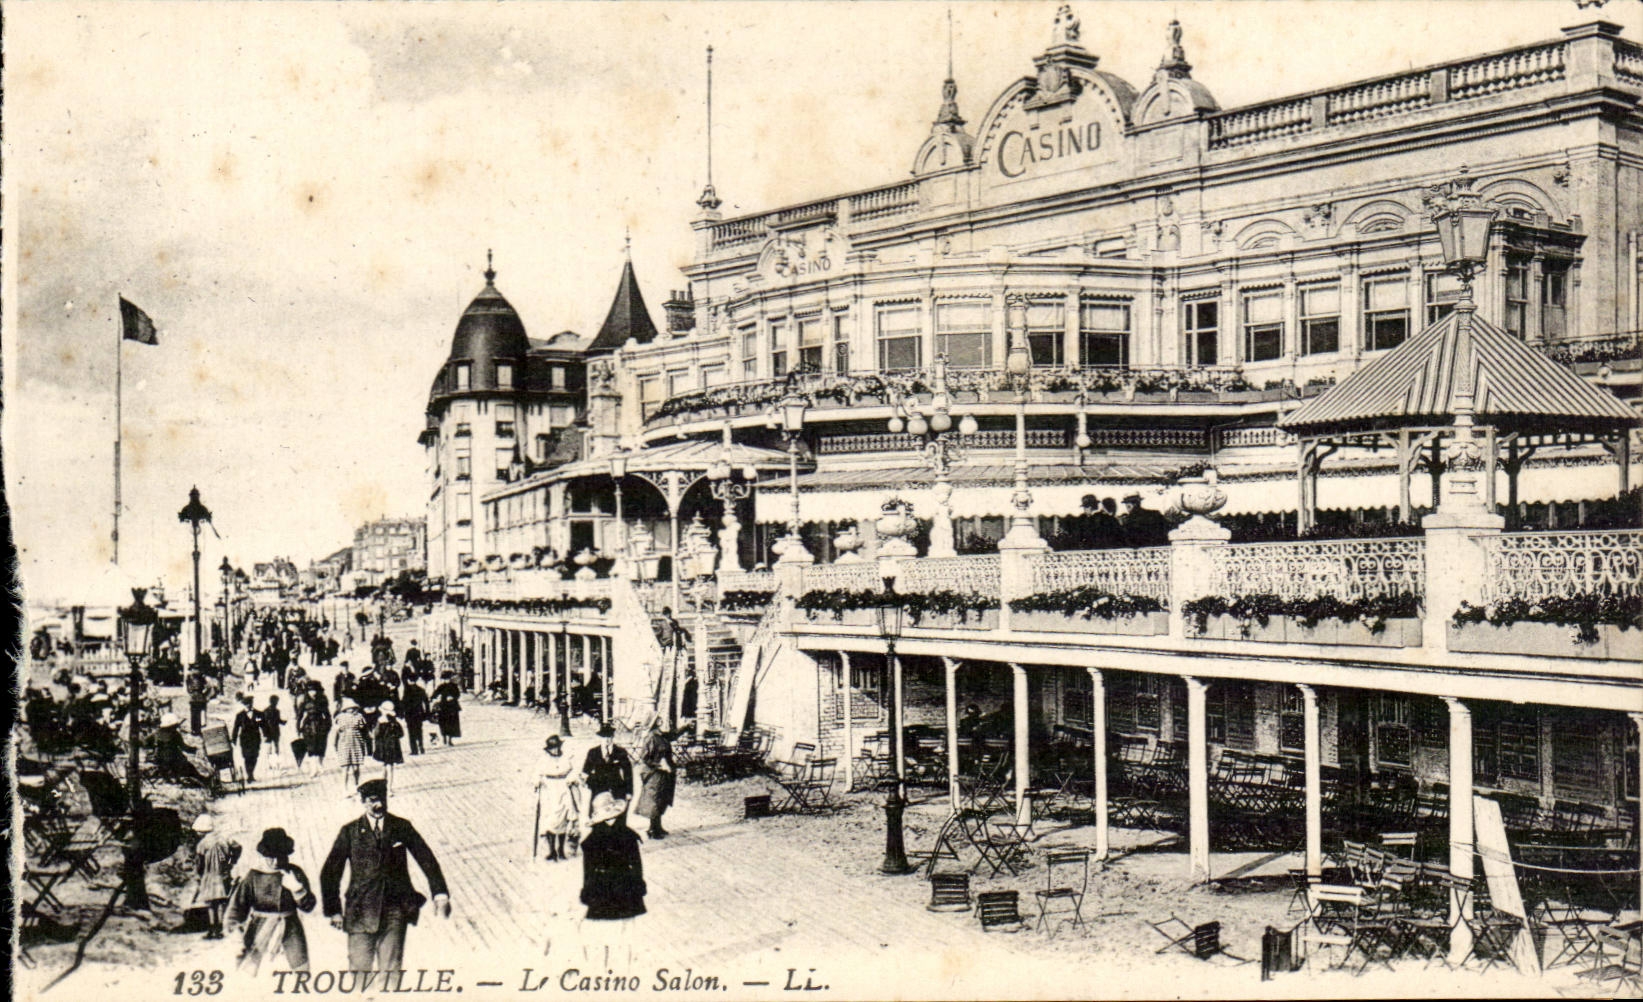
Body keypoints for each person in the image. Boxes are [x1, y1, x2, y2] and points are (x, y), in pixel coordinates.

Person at [320, 778, 451, 974]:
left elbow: (426, 858)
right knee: (359, 970)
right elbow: (330, 872)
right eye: (373, 800)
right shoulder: (349, 832)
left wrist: (440, 894)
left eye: (381, 799)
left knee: (391, 969)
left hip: (394, 908)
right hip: (360, 910)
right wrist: (334, 910)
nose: (378, 804)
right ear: (363, 802)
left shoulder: (401, 826)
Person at [228, 827, 316, 974]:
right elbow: (236, 908)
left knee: (301, 974)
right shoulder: (254, 876)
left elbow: (309, 906)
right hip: (259, 930)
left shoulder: (294, 873)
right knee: (248, 973)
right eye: (270, 857)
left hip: (291, 931)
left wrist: (297, 890)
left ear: (286, 855)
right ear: (263, 855)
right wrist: (235, 933)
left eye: (280, 856)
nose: (275, 862)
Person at [580, 792, 646, 920]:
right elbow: (636, 863)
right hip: (618, 887)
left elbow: (588, 869)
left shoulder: (592, 838)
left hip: (610, 888)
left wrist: (587, 889)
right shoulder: (627, 834)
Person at [190, 814, 241, 940]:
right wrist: (231, 862)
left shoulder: (202, 844)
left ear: (202, 831)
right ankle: (221, 929)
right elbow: (238, 847)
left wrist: (199, 874)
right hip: (223, 875)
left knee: (211, 904)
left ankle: (213, 929)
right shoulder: (223, 839)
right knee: (221, 903)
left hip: (209, 876)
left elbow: (199, 863)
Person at [535, 735, 581, 862]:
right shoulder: (543, 759)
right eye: (552, 748)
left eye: (556, 747)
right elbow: (537, 773)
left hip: (563, 789)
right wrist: (537, 781)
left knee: (563, 820)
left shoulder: (566, 758)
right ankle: (552, 851)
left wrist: (571, 779)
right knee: (550, 820)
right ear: (548, 749)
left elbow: (573, 771)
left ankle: (561, 850)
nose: (555, 750)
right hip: (549, 790)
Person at [581, 722, 633, 818]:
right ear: (600, 738)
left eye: (609, 736)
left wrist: (629, 791)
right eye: (604, 737)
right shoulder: (593, 752)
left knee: (618, 815)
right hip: (598, 787)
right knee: (599, 815)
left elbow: (628, 773)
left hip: (616, 786)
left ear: (613, 737)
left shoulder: (620, 752)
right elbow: (585, 770)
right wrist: (583, 780)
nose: (607, 740)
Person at [635, 717, 675, 839]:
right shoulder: (651, 737)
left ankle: (658, 826)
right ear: (655, 724)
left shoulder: (661, 735)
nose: (663, 722)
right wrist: (659, 765)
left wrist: (685, 727)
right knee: (655, 800)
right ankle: (653, 829)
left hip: (663, 773)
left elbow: (673, 735)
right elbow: (645, 758)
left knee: (662, 798)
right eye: (660, 721)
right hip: (654, 773)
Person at [151, 712, 211, 787]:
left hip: (160, 760)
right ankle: (204, 781)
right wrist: (194, 749)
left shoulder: (156, 734)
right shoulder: (175, 734)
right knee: (190, 768)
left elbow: (146, 743)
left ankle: (171, 779)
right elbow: (183, 747)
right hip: (174, 760)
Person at [332, 699, 371, 795]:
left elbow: (364, 729)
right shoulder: (339, 718)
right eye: (349, 708)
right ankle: (344, 788)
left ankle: (356, 785)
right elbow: (336, 732)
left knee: (356, 767)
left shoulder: (359, 717)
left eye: (352, 708)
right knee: (345, 767)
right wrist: (334, 744)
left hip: (357, 743)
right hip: (344, 743)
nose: (351, 710)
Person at [299, 682, 332, 778]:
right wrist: (298, 728)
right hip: (308, 726)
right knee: (311, 748)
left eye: (314, 690)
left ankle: (320, 764)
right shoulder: (304, 701)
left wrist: (328, 725)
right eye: (310, 690)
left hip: (320, 725)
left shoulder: (322, 700)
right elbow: (300, 715)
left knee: (321, 746)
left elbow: (327, 714)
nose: (312, 692)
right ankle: (313, 769)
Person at [230, 694, 263, 783]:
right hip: (245, 740)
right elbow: (236, 728)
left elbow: (264, 725)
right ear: (244, 705)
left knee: (255, 756)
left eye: (250, 704)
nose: (249, 705)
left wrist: (267, 734)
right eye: (247, 704)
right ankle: (249, 775)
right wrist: (233, 740)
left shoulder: (258, 713)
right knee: (247, 756)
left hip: (256, 739)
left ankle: (251, 773)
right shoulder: (239, 715)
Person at [373, 701, 405, 792]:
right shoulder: (394, 722)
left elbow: (376, 734)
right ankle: (389, 788)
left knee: (384, 766)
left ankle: (383, 787)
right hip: (393, 746)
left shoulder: (380, 721)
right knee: (390, 767)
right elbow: (401, 733)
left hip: (383, 746)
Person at [432, 672, 462, 746]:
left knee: (452, 723)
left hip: (452, 707)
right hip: (443, 707)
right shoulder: (441, 686)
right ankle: (445, 738)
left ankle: (449, 739)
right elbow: (435, 693)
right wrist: (433, 697)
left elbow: (457, 694)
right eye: (445, 679)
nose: (446, 681)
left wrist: (453, 697)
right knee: (443, 723)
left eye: (448, 679)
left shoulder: (454, 686)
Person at [401, 675, 428, 757]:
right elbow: (426, 702)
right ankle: (421, 746)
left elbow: (404, 702)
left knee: (411, 732)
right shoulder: (421, 689)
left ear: (409, 680)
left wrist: (401, 712)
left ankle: (414, 750)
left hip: (410, 714)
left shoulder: (407, 690)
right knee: (419, 730)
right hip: (419, 713)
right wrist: (426, 713)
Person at [260, 694, 285, 774]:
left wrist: (283, 722)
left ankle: (271, 764)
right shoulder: (276, 711)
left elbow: (264, 722)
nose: (276, 703)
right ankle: (276, 764)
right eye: (276, 702)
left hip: (269, 732)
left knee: (270, 748)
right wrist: (283, 722)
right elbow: (277, 721)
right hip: (273, 732)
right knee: (275, 747)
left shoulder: (265, 710)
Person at [186, 670, 214, 735]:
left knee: (194, 714)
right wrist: (205, 695)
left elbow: (188, 687)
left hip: (193, 698)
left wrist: (190, 692)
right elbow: (209, 687)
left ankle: (194, 729)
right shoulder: (201, 678)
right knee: (198, 714)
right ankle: (197, 729)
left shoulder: (190, 677)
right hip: (199, 697)